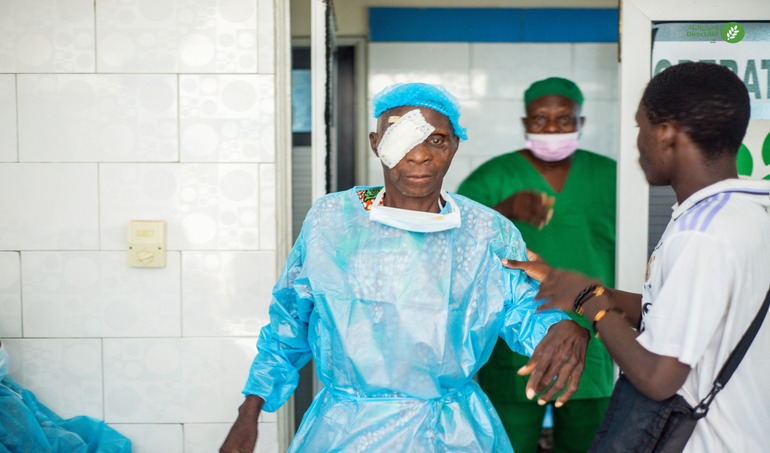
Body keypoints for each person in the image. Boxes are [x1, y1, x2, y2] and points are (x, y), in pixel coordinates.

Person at [219, 82, 590, 452]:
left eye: (436, 140)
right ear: (376, 143)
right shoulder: (331, 221)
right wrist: (249, 410)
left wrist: (561, 325)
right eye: (402, 138)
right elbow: (288, 323)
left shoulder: (486, 232)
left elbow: (525, 312)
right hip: (347, 432)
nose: (419, 155)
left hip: (451, 434)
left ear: (455, 145)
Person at [508, 62, 770, 452]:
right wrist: (580, 288)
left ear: (665, 134)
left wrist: (589, 300)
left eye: (640, 127)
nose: (638, 143)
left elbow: (657, 378)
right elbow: (676, 315)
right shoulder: (745, 213)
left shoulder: (702, 235)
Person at [457, 77, 615, 453]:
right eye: (541, 118)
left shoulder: (611, 176)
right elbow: (453, 244)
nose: (552, 128)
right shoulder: (493, 177)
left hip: (591, 334)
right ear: (525, 122)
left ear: (581, 122)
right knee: (509, 444)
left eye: (564, 119)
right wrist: (503, 210)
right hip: (513, 344)